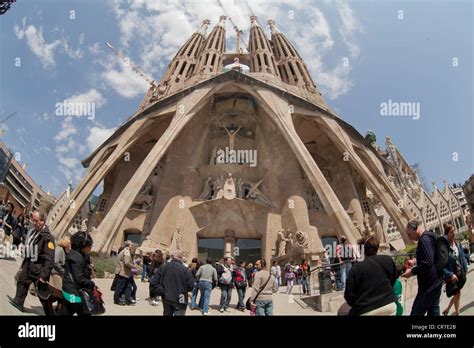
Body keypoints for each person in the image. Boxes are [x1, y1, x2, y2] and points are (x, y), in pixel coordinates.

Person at [8, 211, 55, 315]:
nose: (33, 222)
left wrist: (44, 276)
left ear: (42, 221)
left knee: (41, 293)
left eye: (36, 220)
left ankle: (50, 313)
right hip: (29, 263)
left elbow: (50, 259)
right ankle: (18, 302)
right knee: (22, 281)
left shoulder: (48, 237)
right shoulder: (34, 231)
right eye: (32, 220)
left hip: (38, 269)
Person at [344, 236, 397, 315]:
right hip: (389, 305)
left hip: (366, 310)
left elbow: (349, 295)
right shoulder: (388, 260)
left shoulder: (356, 268)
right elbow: (393, 279)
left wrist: (358, 304)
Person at [403, 219, 443, 316]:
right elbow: (431, 257)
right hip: (436, 282)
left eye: (409, 234)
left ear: (414, 228)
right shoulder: (430, 236)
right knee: (434, 311)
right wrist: (416, 261)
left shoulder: (424, 240)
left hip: (428, 286)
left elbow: (427, 263)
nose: (410, 238)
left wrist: (412, 271)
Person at [60, 232, 96, 316]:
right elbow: (79, 278)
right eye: (89, 245)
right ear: (82, 245)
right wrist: (92, 284)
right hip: (74, 293)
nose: (90, 248)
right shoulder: (76, 258)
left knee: (66, 312)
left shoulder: (78, 254)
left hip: (69, 290)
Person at [152, 250, 194, 316]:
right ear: (181, 258)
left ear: (172, 257)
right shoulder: (185, 270)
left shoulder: (163, 267)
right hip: (181, 299)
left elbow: (153, 282)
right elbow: (191, 286)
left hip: (166, 297)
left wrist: (160, 290)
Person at [441, 224, 468, 316]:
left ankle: (447, 310)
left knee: (457, 293)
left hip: (460, 273)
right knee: (457, 293)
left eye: (454, 231)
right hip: (452, 276)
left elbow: (462, 256)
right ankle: (457, 313)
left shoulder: (457, 243)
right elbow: (441, 265)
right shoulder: (444, 248)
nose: (454, 233)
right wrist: (449, 274)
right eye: (451, 232)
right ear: (446, 234)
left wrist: (465, 267)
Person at [49, 238, 71, 314]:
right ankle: (52, 307)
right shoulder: (59, 249)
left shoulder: (64, 251)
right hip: (56, 273)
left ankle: (58, 308)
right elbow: (56, 262)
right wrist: (64, 271)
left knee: (61, 293)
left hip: (59, 273)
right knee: (58, 292)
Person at [114, 241, 136, 306]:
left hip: (125, 272)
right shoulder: (126, 251)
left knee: (128, 286)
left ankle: (128, 300)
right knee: (120, 286)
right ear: (128, 246)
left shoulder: (125, 251)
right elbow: (126, 262)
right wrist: (133, 266)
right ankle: (117, 300)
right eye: (131, 245)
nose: (132, 246)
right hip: (123, 272)